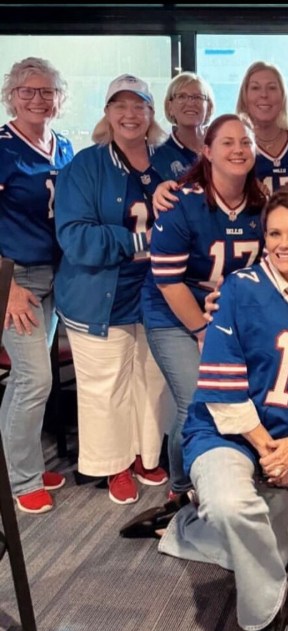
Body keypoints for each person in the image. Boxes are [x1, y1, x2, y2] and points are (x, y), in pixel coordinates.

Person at [155, 187, 288, 631]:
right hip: (227, 433)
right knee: (234, 508)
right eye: (275, 232)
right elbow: (221, 384)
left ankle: (183, 525)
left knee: (262, 548)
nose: (284, 242)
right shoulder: (240, 288)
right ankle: (266, 613)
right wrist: (267, 448)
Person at [55, 74, 171, 505]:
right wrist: (139, 242)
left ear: (150, 113)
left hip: (156, 294)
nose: (129, 114)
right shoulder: (85, 166)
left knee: (151, 380)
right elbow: (77, 238)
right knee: (106, 385)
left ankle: (145, 453)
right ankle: (113, 465)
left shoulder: (166, 160)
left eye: (138, 105)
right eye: (119, 106)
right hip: (98, 294)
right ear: (107, 113)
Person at [141, 114, 266, 506]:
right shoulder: (182, 202)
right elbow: (167, 280)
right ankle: (180, 490)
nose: (238, 149)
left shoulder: (263, 205)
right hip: (175, 310)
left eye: (245, 142)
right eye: (227, 142)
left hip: (227, 313)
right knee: (197, 396)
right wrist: (200, 329)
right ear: (207, 151)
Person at [0, 57, 74, 514]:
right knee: (33, 378)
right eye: (27, 91)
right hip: (15, 277)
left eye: (47, 91)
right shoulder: (3, 146)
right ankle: (20, 478)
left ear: (59, 99)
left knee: (29, 381)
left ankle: (13, 461)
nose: (37, 99)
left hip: (52, 275)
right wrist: (4, 285)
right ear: (11, 95)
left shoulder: (62, 146)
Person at [236, 61, 288, 193]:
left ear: (283, 96)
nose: (264, 95)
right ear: (245, 96)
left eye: (272, 88)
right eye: (255, 88)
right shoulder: (234, 147)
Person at [151, 71, 216, 181]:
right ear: (170, 107)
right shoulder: (160, 154)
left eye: (198, 97)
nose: (190, 103)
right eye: (181, 97)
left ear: (208, 107)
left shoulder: (221, 143)